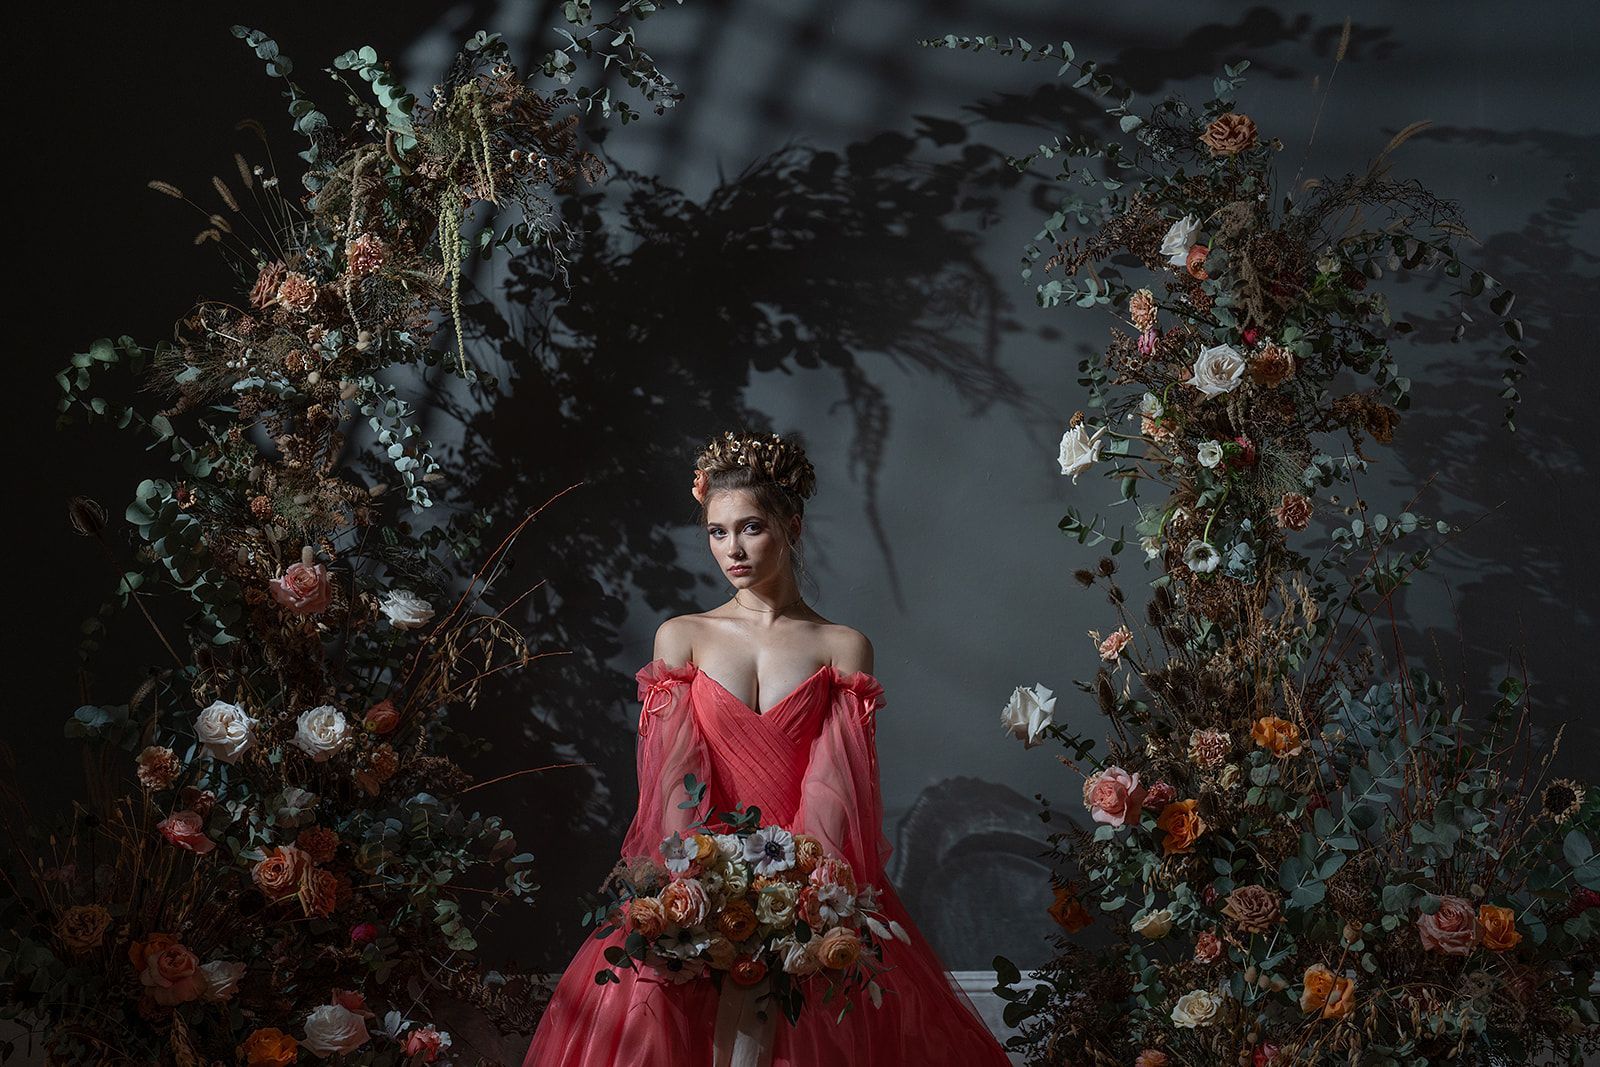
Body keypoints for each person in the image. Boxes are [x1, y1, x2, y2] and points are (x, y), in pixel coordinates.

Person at [524, 430, 1012, 1066]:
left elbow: (836, 791)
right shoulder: (682, 637)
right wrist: (694, 893)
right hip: (696, 884)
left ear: (792, 525)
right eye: (717, 532)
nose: (732, 549)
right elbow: (673, 786)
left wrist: (807, 903)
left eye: (750, 528)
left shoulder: (842, 647)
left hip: (809, 890)